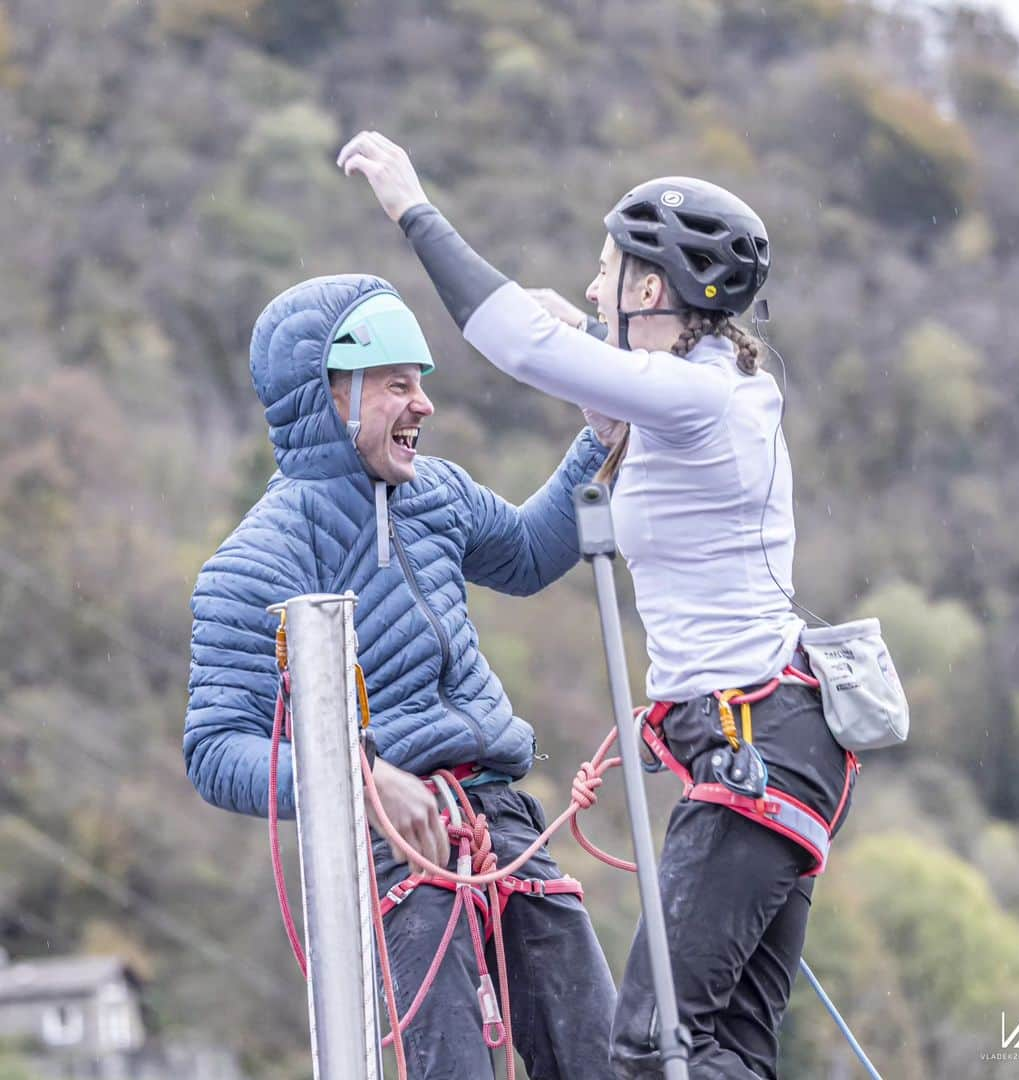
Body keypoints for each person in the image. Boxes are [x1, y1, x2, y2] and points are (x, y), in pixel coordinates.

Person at [340, 130, 858, 1080]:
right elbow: (609, 399)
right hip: (773, 740)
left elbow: (513, 341)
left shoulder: (700, 396)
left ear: (652, 291)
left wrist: (412, 206)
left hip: (755, 744)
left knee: (652, 1045)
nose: (590, 287)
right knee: (723, 1047)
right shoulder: (711, 390)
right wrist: (589, 369)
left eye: (607, 269)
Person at [183, 273, 617, 1079]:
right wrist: (362, 778)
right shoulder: (253, 564)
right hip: (391, 844)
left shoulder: (438, 493)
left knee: (599, 1048)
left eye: (422, 385)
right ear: (330, 396)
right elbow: (214, 752)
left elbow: (527, 554)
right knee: (451, 1065)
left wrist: (597, 439)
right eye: (397, 385)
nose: (423, 406)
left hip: (501, 816)